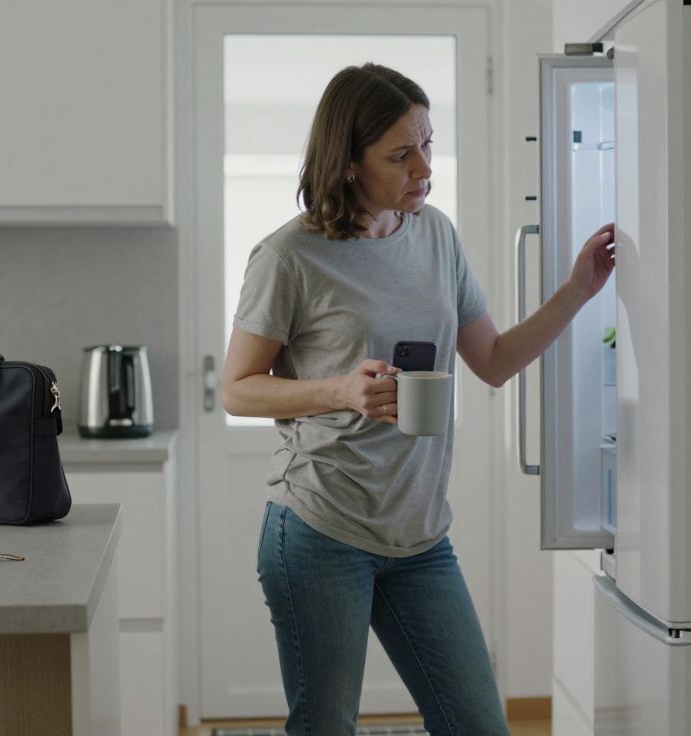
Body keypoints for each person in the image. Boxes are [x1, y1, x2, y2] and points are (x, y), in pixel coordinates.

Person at [222, 62, 615, 736]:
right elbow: (237, 388)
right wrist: (342, 390)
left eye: (427, 143)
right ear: (347, 164)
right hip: (319, 530)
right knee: (324, 728)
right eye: (400, 154)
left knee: (479, 726)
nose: (423, 167)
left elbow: (491, 362)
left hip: (420, 536)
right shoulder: (290, 257)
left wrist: (578, 289)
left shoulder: (435, 234)